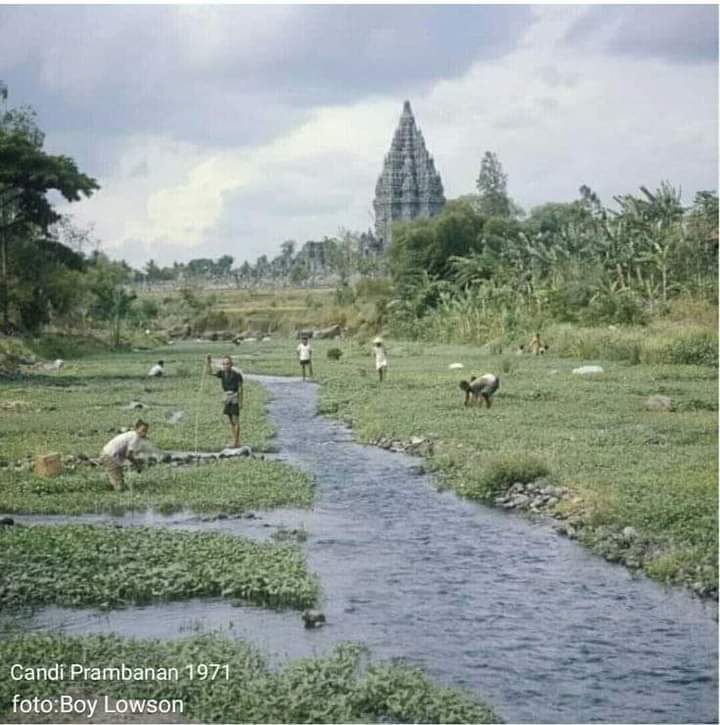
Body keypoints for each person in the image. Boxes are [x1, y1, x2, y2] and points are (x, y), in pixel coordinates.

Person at [100, 419, 149, 491]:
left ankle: (110, 486)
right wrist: (137, 465)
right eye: (142, 430)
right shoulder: (135, 437)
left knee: (118, 477)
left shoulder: (132, 434)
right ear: (136, 428)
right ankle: (115, 492)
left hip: (108, 453)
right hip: (110, 456)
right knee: (119, 485)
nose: (144, 433)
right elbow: (128, 455)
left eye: (146, 431)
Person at [207, 354, 244, 448]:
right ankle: (235, 441)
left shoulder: (237, 374)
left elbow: (240, 388)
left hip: (235, 396)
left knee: (236, 420)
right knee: (231, 420)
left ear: (231, 364)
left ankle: (236, 442)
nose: (225, 366)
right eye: (224, 364)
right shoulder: (222, 373)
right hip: (227, 397)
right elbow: (210, 373)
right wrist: (209, 362)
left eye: (227, 364)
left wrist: (240, 401)